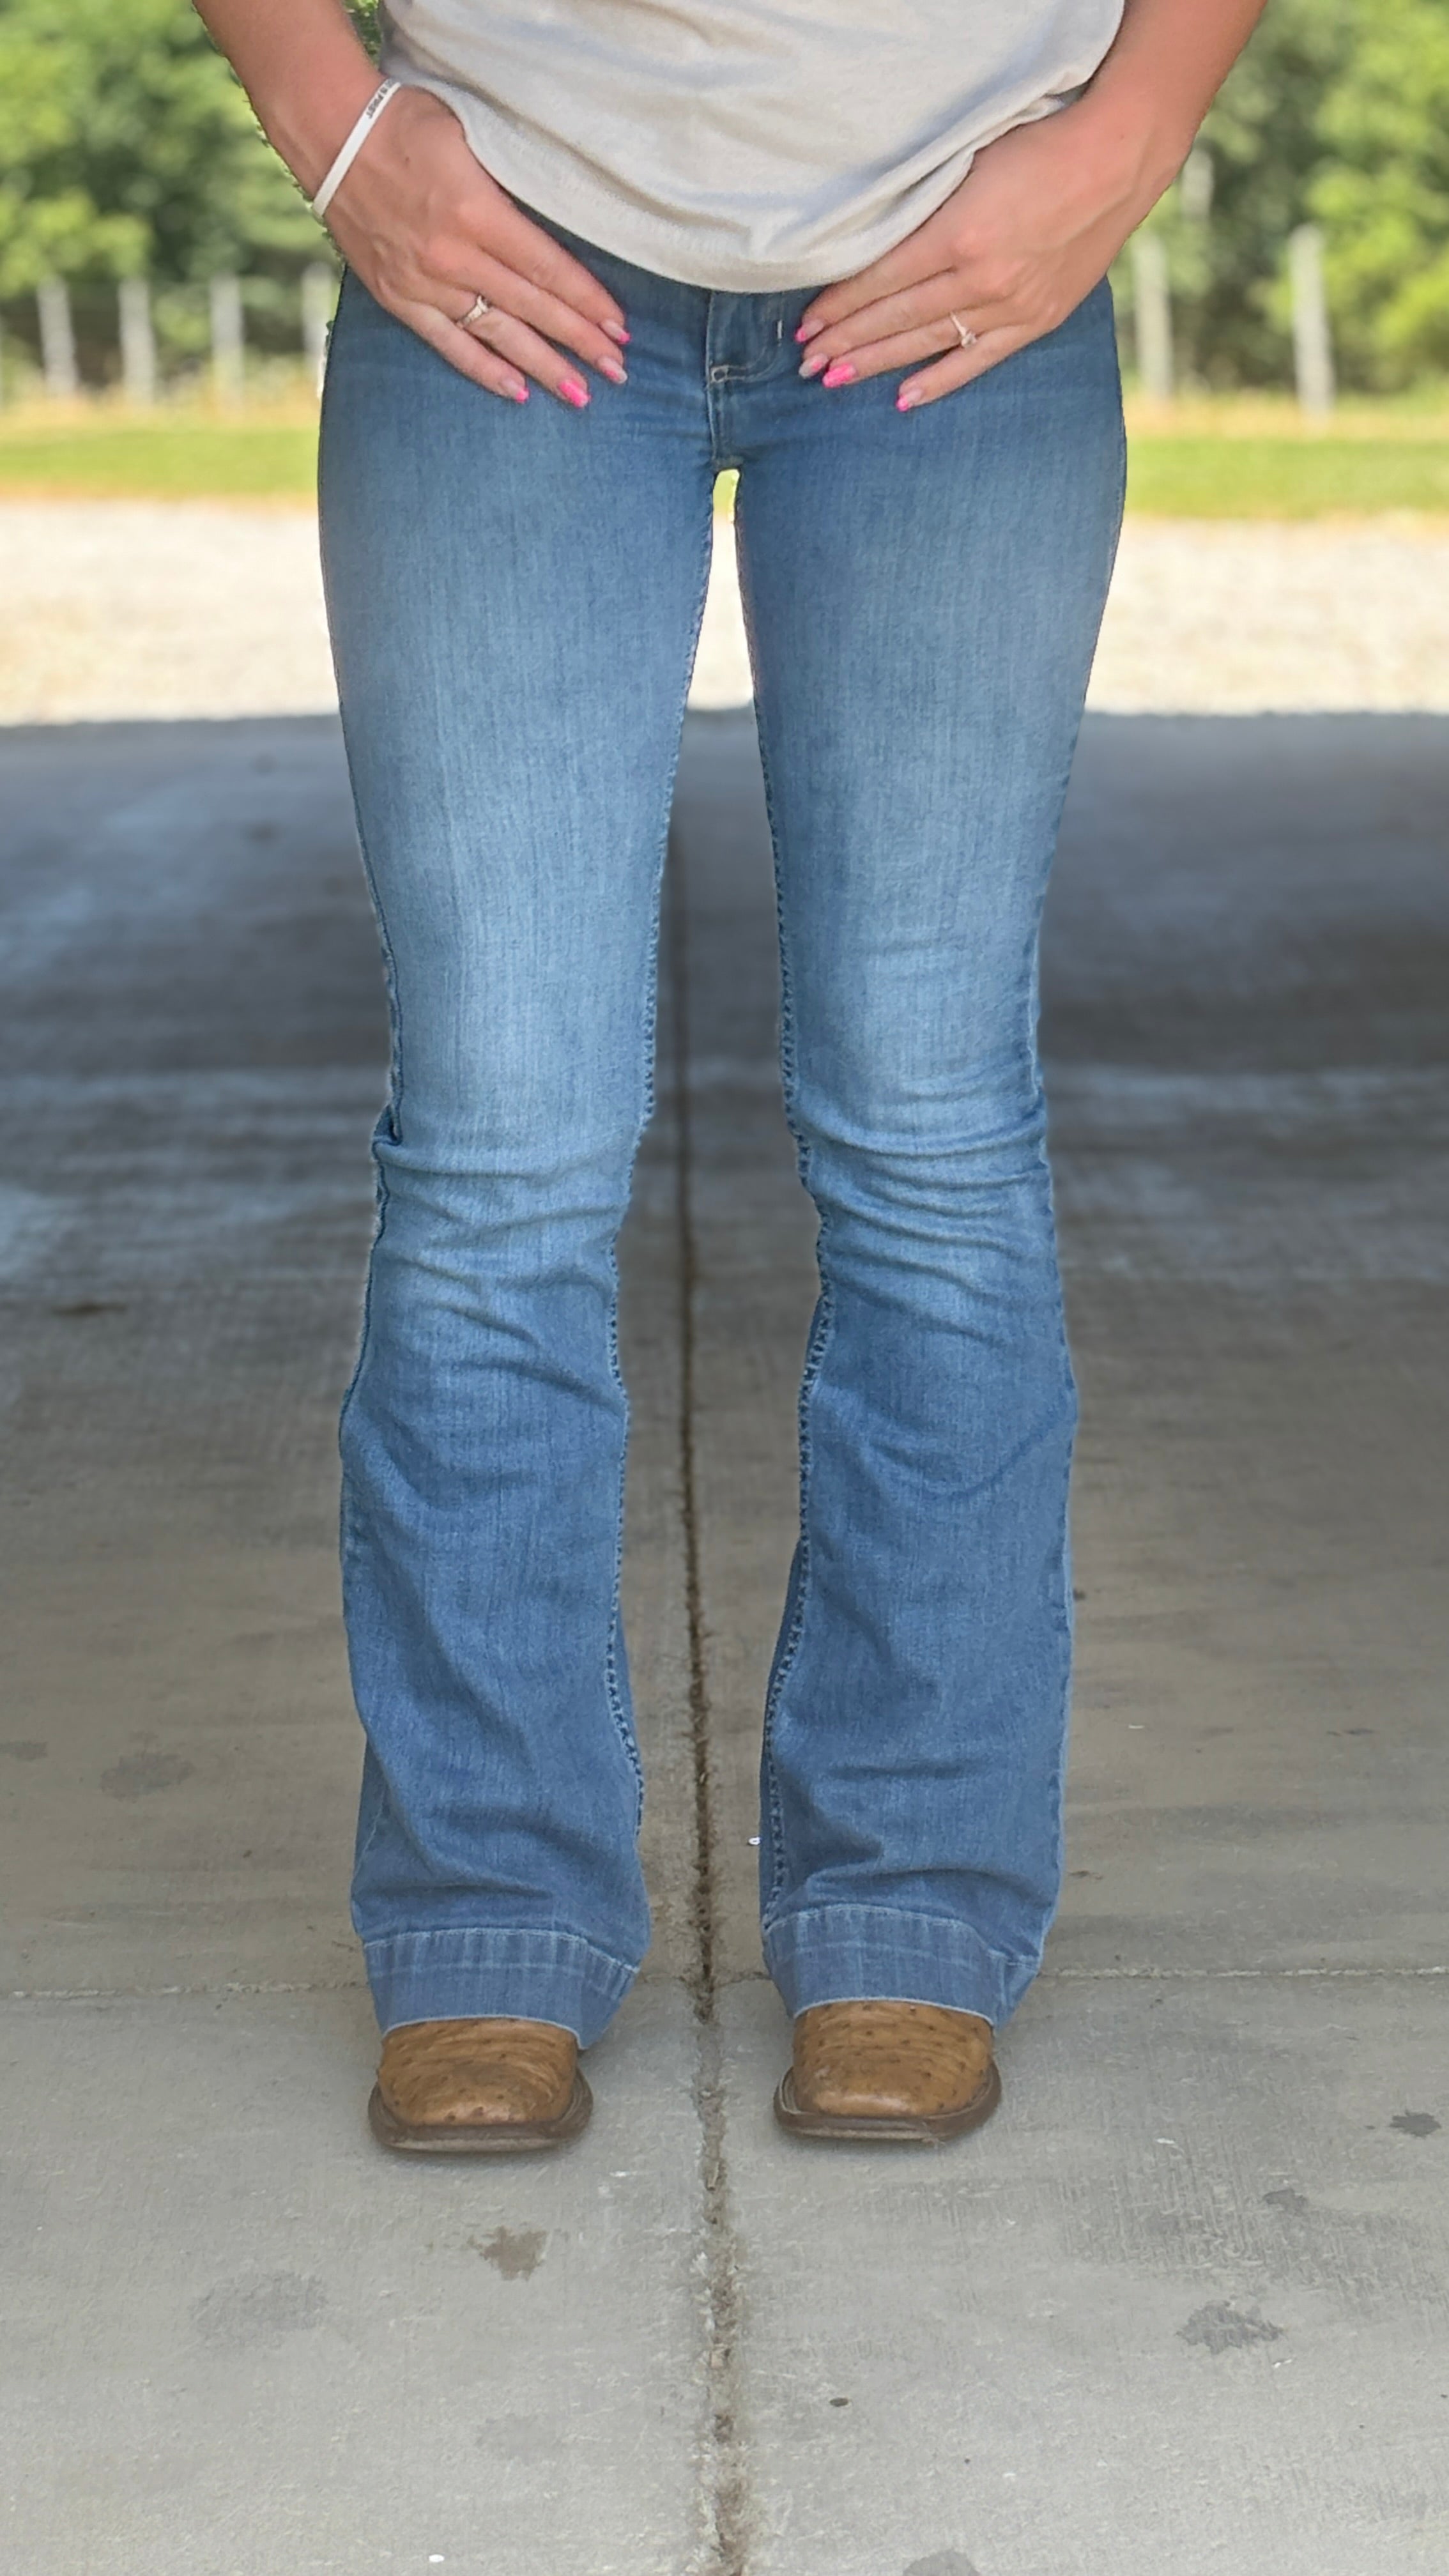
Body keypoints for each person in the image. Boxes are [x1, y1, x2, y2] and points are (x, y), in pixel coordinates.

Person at [197, 0, 1267, 2154]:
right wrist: (330, 119)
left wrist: (1133, 129)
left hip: (959, 271)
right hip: (501, 259)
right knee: (496, 1153)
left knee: (930, 1137)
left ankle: (908, 1911)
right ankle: (487, 1921)